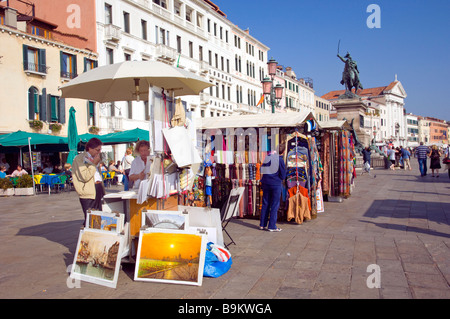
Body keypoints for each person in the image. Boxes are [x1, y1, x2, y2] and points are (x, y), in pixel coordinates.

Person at [72, 138, 105, 226]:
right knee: (90, 218)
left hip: (98, 188)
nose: (99, 152)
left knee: (99, 215)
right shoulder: (79, 159)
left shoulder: (96, 157)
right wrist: (93, 164)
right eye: (97, 150)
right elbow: (85, 176)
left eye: (100, 150)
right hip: (88, 191)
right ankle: (87, 237)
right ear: (90, 148)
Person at [259, 142, 286, 232]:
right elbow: (283, 175)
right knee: (274, 204)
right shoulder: (280, 160)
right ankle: (272, 226)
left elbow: (262, 169)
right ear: (283, 152)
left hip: (266, 182)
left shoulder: (268, 157)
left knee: (265, 203)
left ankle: (262, 224)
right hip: (275, 184)